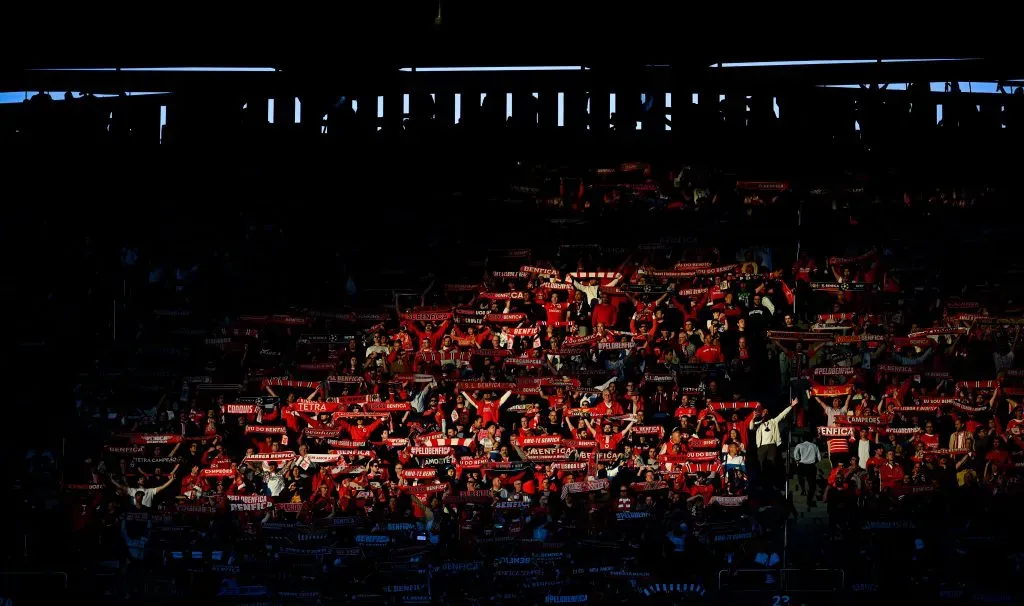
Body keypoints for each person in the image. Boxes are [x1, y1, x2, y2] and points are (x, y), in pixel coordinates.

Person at [750, 398, 799, 487]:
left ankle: (771, 481)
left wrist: (791, 406)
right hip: (761, 446)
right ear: (761, 413)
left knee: (771, 462)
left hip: (772, 445)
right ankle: (762, 481)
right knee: (761, 463)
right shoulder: (758, 423)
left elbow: (782, 414)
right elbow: (750, 428)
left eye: (766, 412)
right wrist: (753, 418)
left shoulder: (773, 421)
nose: (765, 413)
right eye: (763, 412)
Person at [792, 435, 821, 507]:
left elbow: (796, 455)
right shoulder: (814, 446)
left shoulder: (799, 445)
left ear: (802, 439)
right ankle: (809, 500)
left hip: (802, 464)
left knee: (800, 476)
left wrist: (798, 460)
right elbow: (819, 458)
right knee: (812, 484)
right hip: (811, 465)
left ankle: (803, 489)